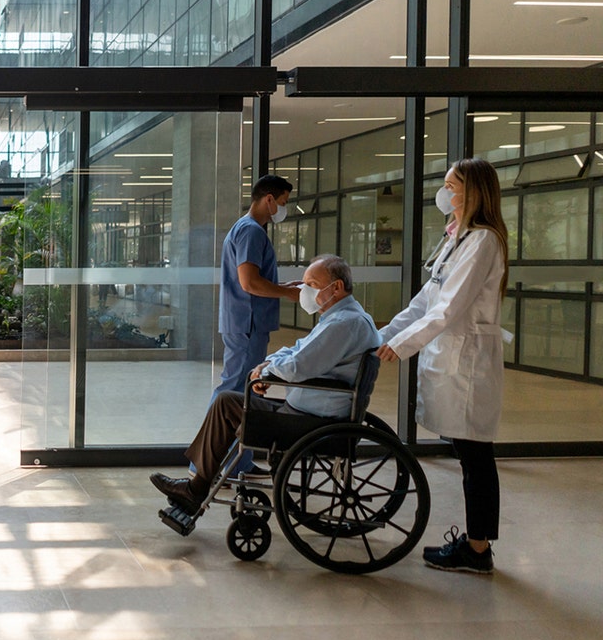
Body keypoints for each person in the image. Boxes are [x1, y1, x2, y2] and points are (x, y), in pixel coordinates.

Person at [151, 254, 380, 513]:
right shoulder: (341, 318)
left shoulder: (344, 324)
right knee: (228, 400)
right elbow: (296, 350)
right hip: (310, 413)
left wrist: (267, 372)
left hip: (311, 422)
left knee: (226, 403)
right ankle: (197, 486)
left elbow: (298, 366)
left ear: (336, 287)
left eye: (312, 285)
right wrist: (265, 367)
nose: (304, 291)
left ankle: (196, 489)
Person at [377, 158, 508, 575]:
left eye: (451, 185)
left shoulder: (483, 241)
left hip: (468, 362)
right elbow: (424, 302)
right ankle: (477, 545)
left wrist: (402, 346)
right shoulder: (457, 238)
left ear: (472, 193)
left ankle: (477, 548)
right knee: (469, 454)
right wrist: (381, 335)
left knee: (475, 458)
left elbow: (449, 309)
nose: (444, 192)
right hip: (452, 357)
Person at [213, 174, 301, 477]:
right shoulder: (252, 232)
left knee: (239, 392)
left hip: (243, 322)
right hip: (247, 324)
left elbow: (254, 278)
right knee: (236, 393)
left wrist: (283, 285)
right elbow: (249, 282)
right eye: (284, 203)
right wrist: (286, 293)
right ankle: (217, 466)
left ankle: (237, 464)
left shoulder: (245, 229)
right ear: (269, 199)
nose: (283, 209)